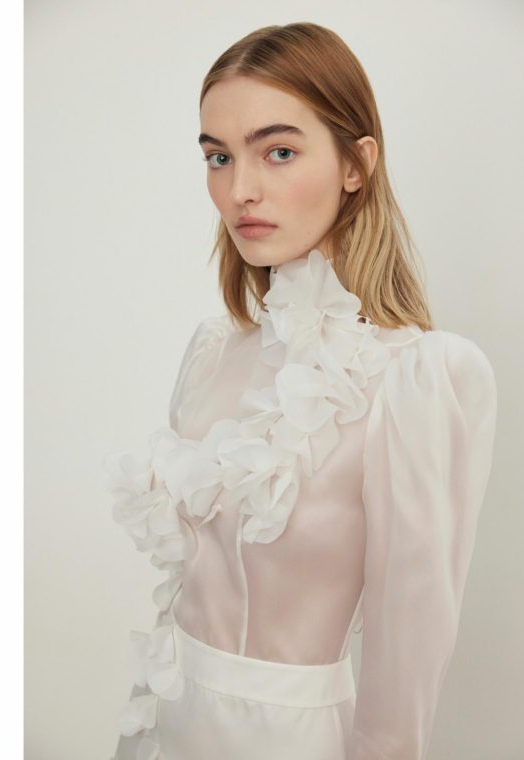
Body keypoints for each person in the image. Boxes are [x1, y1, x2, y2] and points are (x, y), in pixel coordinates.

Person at [104, 22, 497, 760]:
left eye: (278, 151)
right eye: (219, 157)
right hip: (162, 732)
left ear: (356, 164)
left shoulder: (416, 379)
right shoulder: (212, 353)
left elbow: (405, 670)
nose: (239, 191)